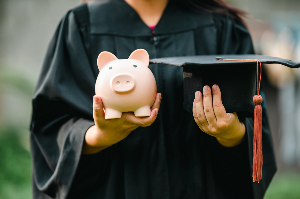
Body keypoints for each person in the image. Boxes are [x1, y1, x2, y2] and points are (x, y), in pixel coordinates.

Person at [30, 0, 276, 198]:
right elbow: (51, 126)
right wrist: (98, 136)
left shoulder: (221, 25)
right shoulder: (81, 26)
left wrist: (230, 133)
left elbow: (254, 122)